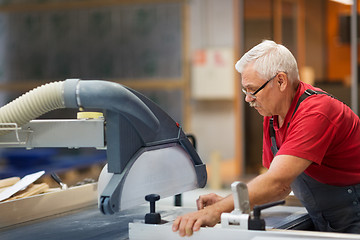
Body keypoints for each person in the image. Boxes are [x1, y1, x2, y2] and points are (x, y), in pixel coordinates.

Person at [172, 40, 360, 236]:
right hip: (327, 218)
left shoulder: (316, 112)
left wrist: (216, 211)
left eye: (252, 90)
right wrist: (229, 201)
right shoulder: (273, 117)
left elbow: (277, 181)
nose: (248, 98)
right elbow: (280, 189)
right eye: (245, 91)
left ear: (281, 81)